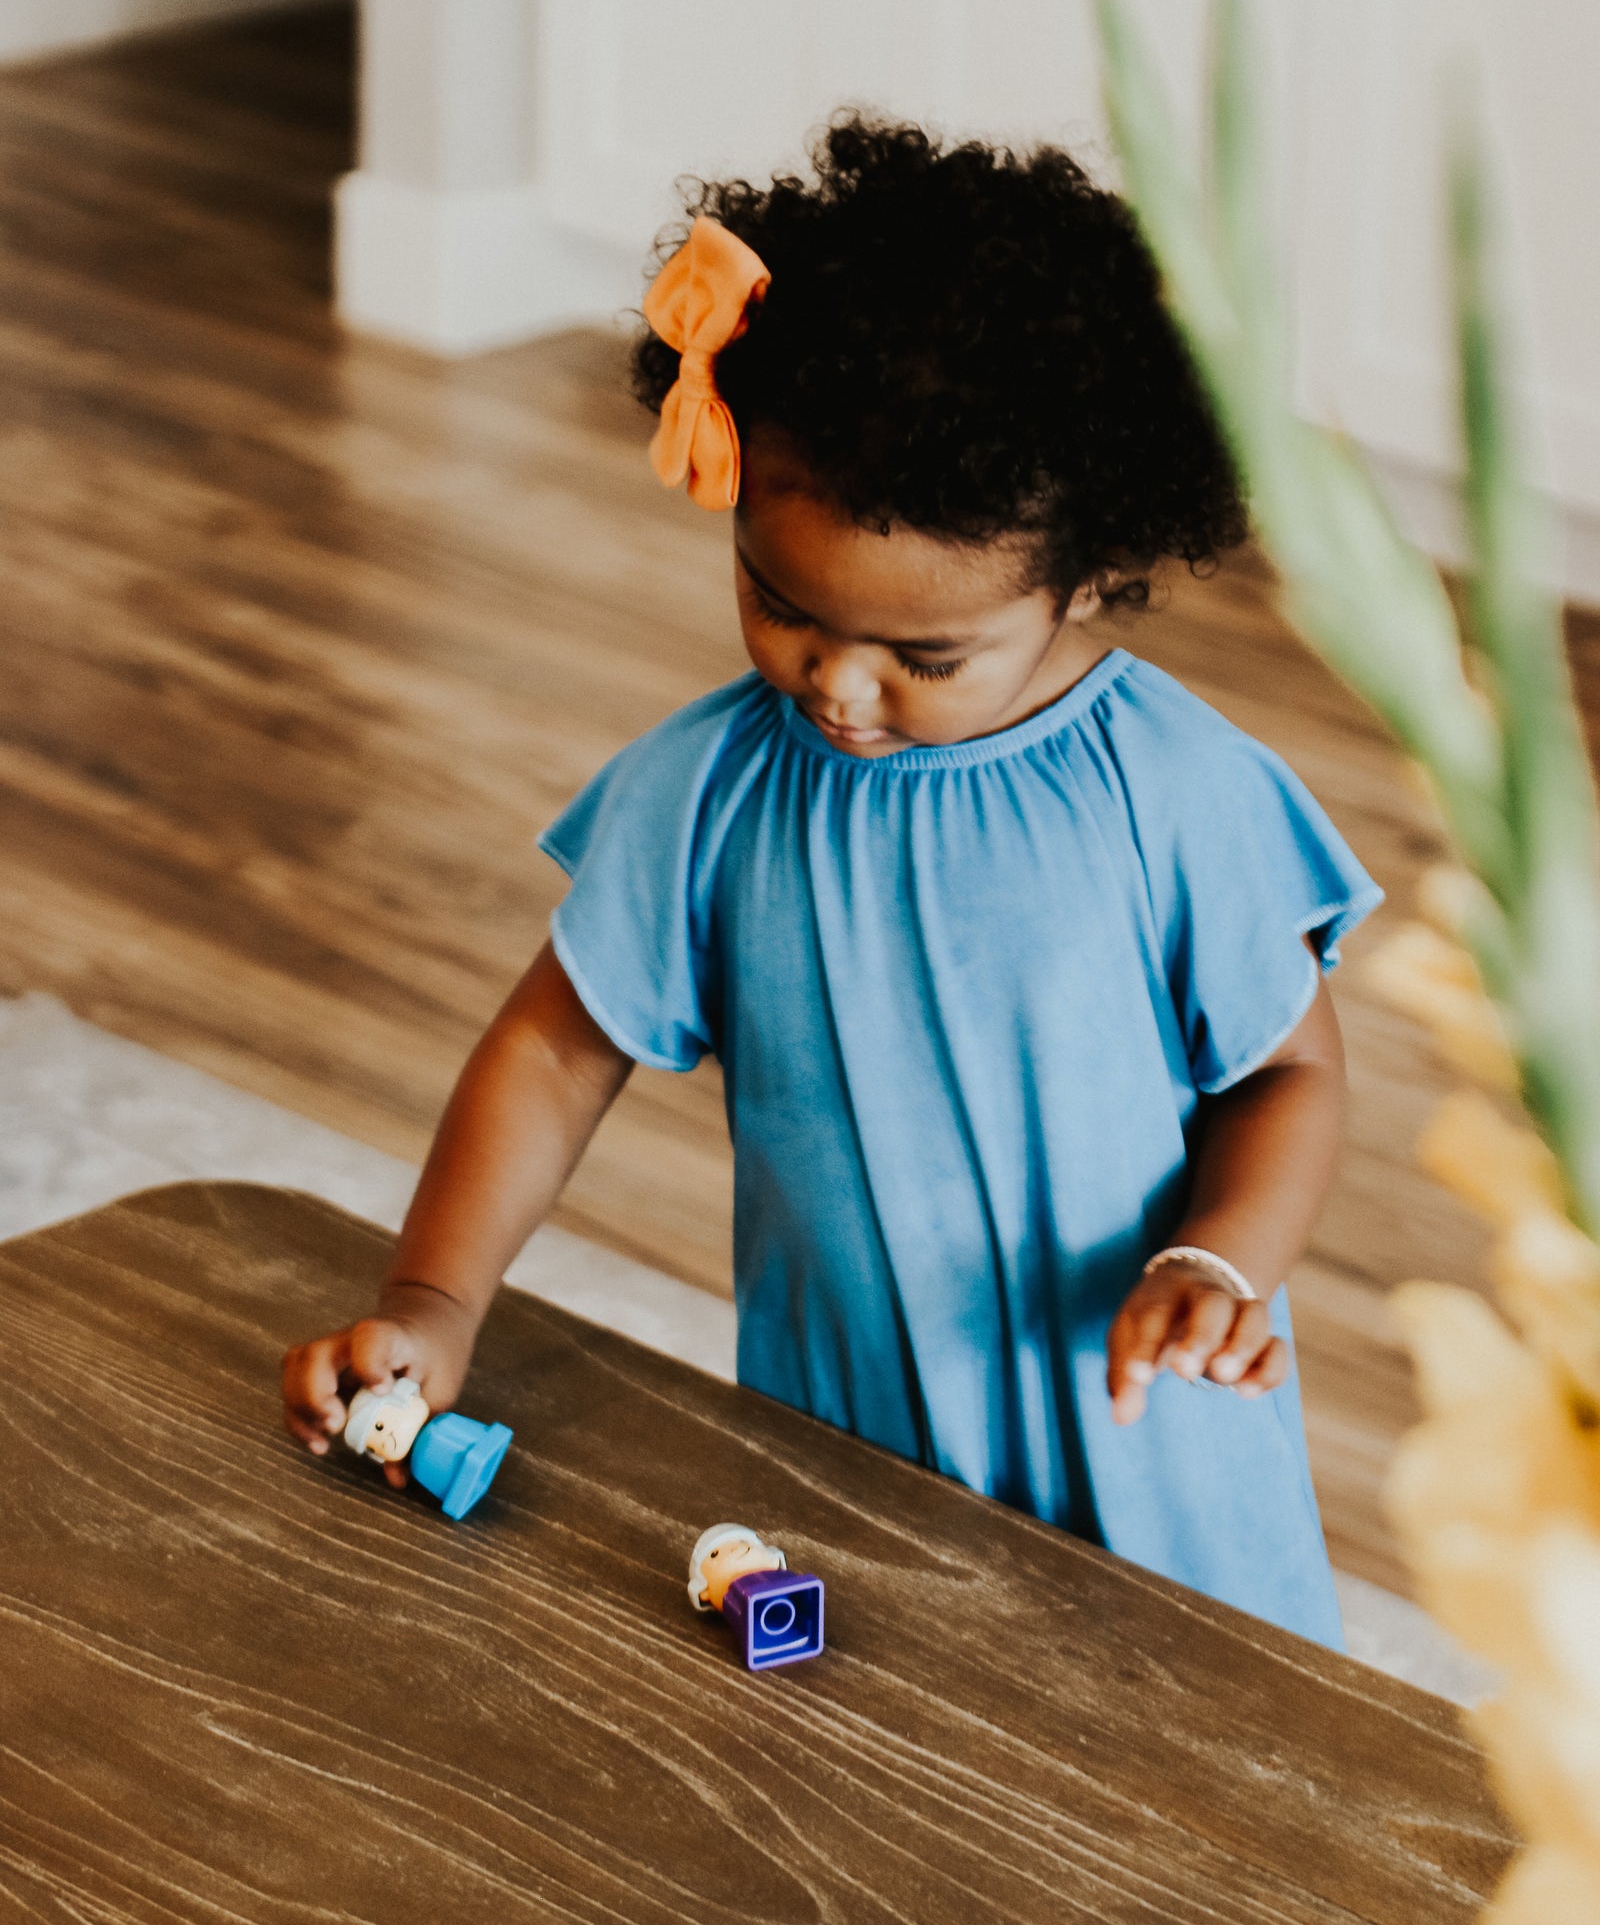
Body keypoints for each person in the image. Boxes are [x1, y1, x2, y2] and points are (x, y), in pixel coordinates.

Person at [283, 117, 1382, 1645]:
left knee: (1185, 1758)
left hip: (1137, 1423)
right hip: (841, 1413)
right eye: (781, 605)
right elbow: (553, 1049)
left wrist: (1221, 1259)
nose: (840, 688)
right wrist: (435, 1301)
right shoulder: (715, 787)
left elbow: (1288, 1082)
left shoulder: (1174, 798)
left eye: (925, 656)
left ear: (1088, 572)